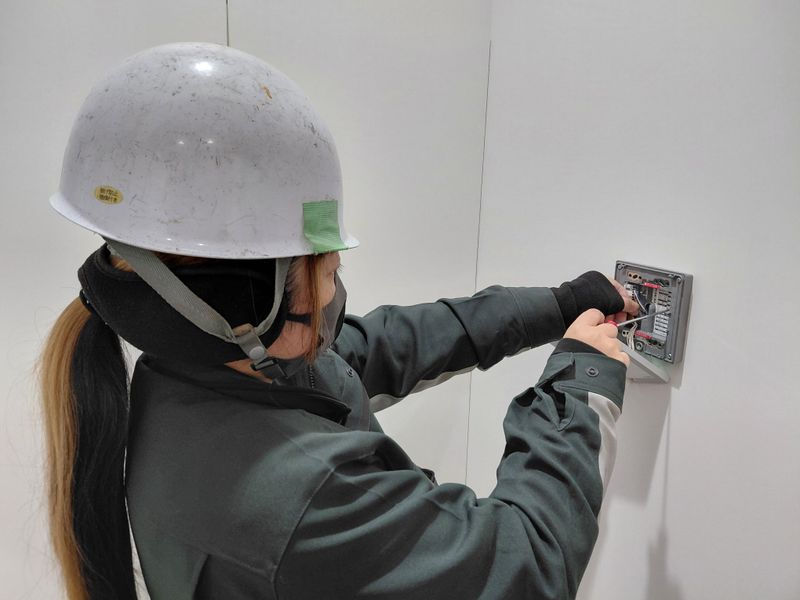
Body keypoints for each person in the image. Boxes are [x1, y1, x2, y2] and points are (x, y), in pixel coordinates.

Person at [40, 43, 638, 600]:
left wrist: (555, 305)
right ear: (247, 298)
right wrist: (579, 382)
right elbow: (527, 564)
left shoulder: (199, 371)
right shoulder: (301, 501)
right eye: (328, 271)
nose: (335, 294)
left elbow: (379, 349)